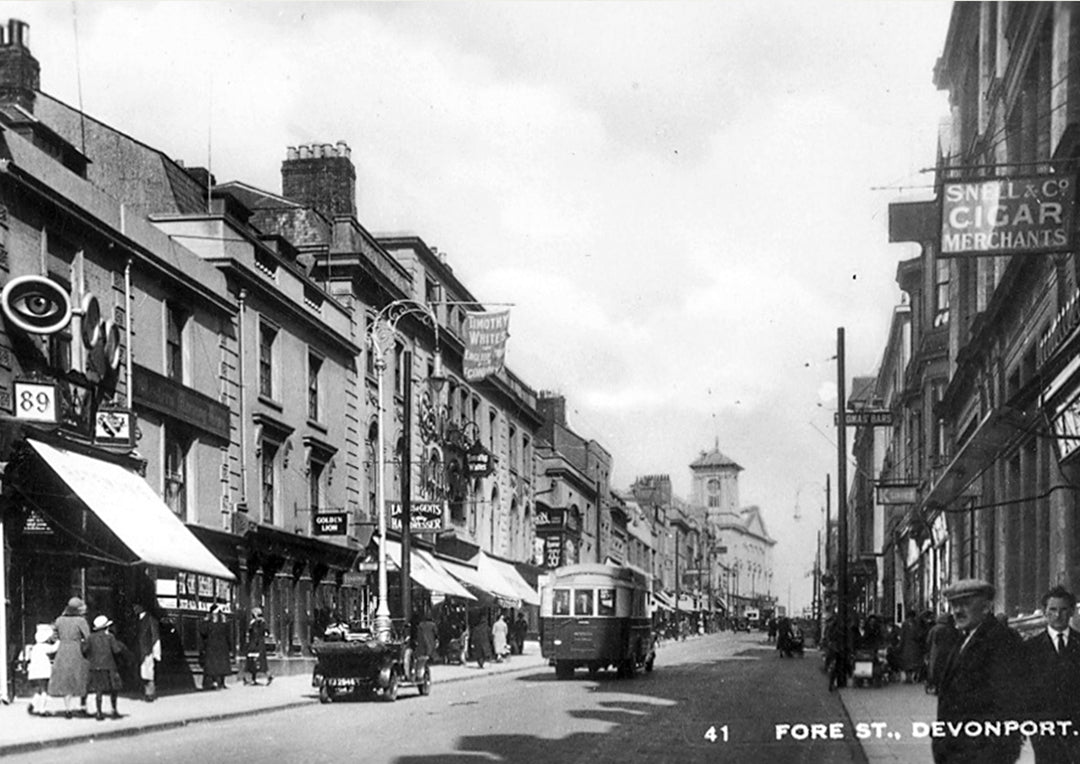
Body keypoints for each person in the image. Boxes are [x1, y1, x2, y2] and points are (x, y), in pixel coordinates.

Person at [933, 579, 1023, 764]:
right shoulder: (963, 637)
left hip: (982, 752)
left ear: (986, 607)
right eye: (954, 605)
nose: (957, 611)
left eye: (965, 604)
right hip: (957, 749)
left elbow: (1008, 703)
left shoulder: (1002, 639)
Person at [1022, 585, 1080, 764]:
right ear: (1044, 612)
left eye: (1063, 610)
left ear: (1071, 612)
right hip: (1044, 726)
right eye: (1053, 610)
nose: (1058, 615)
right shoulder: (1030, 648)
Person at [48, 596, 90, 719]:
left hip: (63, 651)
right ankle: (83, 706)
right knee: (81, 677)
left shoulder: (59, 620)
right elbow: (88, 638)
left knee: (66, 681)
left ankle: (68, 709)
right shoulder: (81, 621)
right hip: (77, 650)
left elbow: (54, 637)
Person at [85, 615, 127, 721]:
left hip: (95, 666)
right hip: (109, 666)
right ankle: (114, 709)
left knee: (98, 690)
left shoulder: (90, 637)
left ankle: (99, 712)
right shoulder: (110, 637)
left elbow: (84, 650)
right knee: (114, 689)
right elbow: (116, 650)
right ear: (106, 627)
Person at [23, 623, 58, 716]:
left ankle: (33, 703)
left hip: (35, 672)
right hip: (44, 671)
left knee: (39, 690)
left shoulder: (34, 647)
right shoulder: (44, 647)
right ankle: (42, 709)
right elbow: (53, 649)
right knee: (44, 690)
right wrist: (59, 641)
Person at [199, 604, 233, 690]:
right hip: (214, 646)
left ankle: (220, 682)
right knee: (215, 665)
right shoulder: (211, 622)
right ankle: (216, 682)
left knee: (220, 664)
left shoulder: (221, 622)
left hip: (219, 645)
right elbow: (203, 632)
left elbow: (227, 633)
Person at [132, 603, 161, 702]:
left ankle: (150, 693)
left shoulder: (150, 619)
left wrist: (156, 651)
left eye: (136, 606)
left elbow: (155, 635)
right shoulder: (136, 620)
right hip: (139, 650)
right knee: (142, 672)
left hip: (147, 650)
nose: (134, 609)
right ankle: (144, 692)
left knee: (148, 672)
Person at [925, 612, 958, 696]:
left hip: (936, 652)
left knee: (935, 669)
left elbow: (928, 641)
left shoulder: (934, 629)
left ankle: (935, 687)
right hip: (949, 652)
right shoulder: (953, 629)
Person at [243, 607, 272, 686]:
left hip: (255, 643)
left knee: (252, 661)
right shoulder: (263, 622)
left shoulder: (255, 623)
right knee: (261, 661)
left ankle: (247, 677)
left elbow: (252, 632)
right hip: (260, 643)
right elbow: (267, 632)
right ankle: (264, 676)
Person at [897, 610, 927, 683]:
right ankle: (912, 677)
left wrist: (900, 645)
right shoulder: (917, 623)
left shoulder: (905, 624)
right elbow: (919, 634)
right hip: (915, 646)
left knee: (907, 662)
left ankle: (908, 677)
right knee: (914, 662)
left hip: (906, 646)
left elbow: (902, 635)